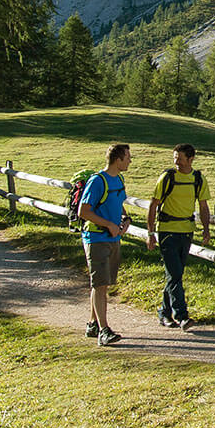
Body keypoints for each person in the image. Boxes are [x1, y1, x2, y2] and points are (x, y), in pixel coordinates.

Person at [145, 142, 213, 329]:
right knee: (175, 274)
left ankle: (164, 313)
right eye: (175, 159)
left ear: (191, 159)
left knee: (175, 274)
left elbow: (203, 206)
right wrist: (151, 233)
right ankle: (182, 316)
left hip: (186, 232)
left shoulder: (198, 179)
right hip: (167, 231)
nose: (177, 163)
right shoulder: (166, 177)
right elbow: (153, 205)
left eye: (180, 160)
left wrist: (206, 229)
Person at [76, 142, 134, 346]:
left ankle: (93, 324)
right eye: (128, 157)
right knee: (100, 285)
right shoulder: (98, 181)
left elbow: (119, 206)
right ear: (118, 159)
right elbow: (83, 212)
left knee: (103, 284)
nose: (130, 160)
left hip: (113, 238)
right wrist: (109, 224)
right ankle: (104, 331)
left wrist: (125, 220)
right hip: (96, 239)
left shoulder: (118, 179)